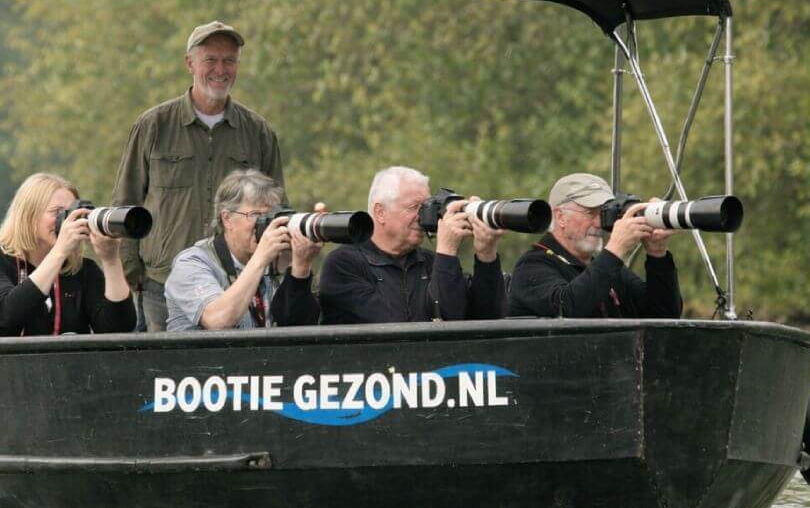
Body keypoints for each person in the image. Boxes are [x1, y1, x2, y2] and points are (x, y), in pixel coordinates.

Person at [111, 21, 284, 332]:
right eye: (211, 60)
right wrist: (132, 277)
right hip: (159, 287)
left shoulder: (258, 132)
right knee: (161, 377)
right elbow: (125, 204)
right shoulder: (153, 125)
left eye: (230, 60)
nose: (221, 69)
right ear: (190, 63)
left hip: (237, 283)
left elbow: (278, 206)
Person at [318, 166, 507, 324]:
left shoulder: (432, 262)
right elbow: (395, 328)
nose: (423, 217)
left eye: (427, 207)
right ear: (380, 212)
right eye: (414, 207)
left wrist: (486, 253)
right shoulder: (343, 264)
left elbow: (486, 320)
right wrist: (447, 250)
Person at [508, 172, 683, 319]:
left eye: (603, 214)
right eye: (590, 213)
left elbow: (665, 316)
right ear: (560, 216)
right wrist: (616, 248)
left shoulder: (608, 268)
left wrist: (657, 254)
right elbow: (567, 309)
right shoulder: (531, 266)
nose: (599, 224)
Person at [165, 168, 320, 331]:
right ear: (227, 219)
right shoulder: (191, 263)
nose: (265, 224)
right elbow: (218, 321)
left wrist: (300, 268)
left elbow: (298, 330)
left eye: (270, 216)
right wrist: (260, 258)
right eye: (255, 215)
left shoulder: (275, 260)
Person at [0, 173, 136, 336]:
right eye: (57, 212)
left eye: (73, 212)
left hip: (69, 362)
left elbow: (119, 330)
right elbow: (5, 319)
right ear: (28, 216)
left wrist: (111, 260)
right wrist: (60, 251)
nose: (67, 221)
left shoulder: (81, 269)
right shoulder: (4, 262)